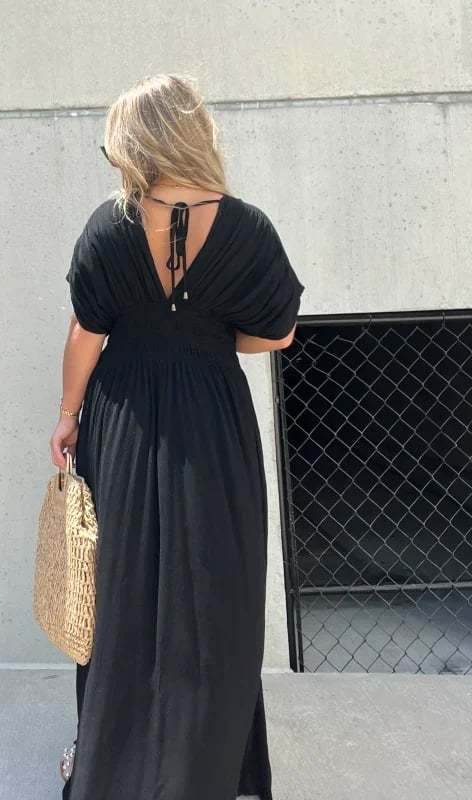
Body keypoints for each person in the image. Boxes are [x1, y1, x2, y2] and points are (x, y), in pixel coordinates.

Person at [50, 73, 305, 800]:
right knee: (217, 585)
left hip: (122, 417)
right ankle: (208, 767)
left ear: (138, 144)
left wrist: (67, 415)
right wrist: (212, 338)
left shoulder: (109, 227)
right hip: (213, 420)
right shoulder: (249, 228)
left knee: (119, 583)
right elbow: (278, 335)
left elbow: (86, 335)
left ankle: (110, 762)